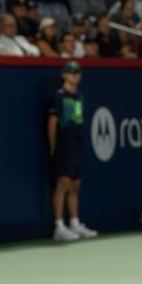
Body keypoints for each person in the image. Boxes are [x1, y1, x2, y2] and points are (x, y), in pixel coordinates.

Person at [47, 61, 99, 242]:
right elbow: (52, 123)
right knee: (63, 183)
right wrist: (53, 146)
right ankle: (59, 226)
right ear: (64, 75)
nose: (75, 75)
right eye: (72, 72)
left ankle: (75, 222)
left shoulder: (79, 96)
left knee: (75, 185)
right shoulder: (58, 96)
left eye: (78, 72)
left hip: (77, 145)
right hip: (64, 145)